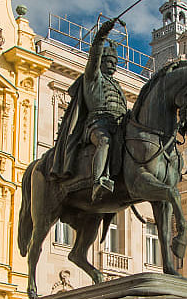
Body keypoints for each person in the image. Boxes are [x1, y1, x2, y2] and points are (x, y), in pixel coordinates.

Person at [47, 18, 127, 202]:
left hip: (118, 125)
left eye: (115, 62)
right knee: (104, 141)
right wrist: (101, 36)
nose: (113, 64)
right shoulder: (93, 78)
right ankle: (99, 181)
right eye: (108, 61)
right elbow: (94, 56)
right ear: (101, 62)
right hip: (96, 124)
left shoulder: (117, 85)